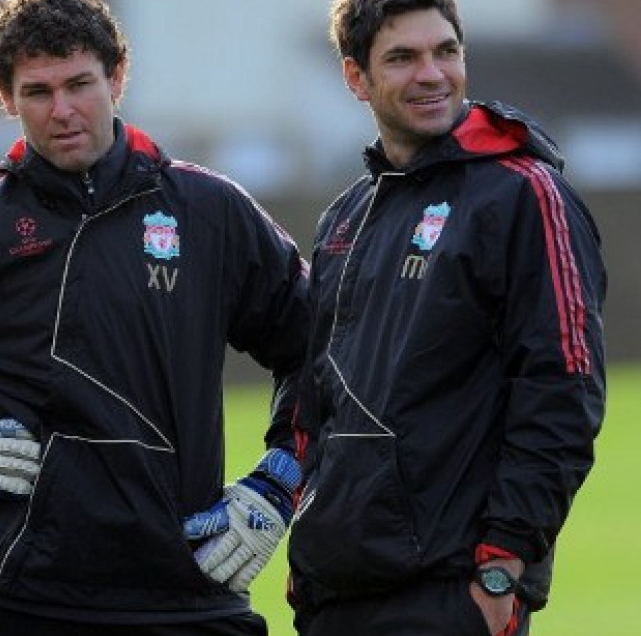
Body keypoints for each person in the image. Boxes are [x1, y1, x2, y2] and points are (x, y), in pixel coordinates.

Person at [0, 0, 310, 633]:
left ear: (116, 77)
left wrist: (279, 481)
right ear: (7, 98)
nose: (62, 110)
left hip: (192, 584)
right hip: (30, 597)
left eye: (79, 84)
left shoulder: (210, 212)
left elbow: (327, 347)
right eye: (37, 91)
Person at [282, 1, 607, 635]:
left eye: (446, 51)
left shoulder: (522, 192)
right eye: (403, 58)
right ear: (356, 77)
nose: (432, 74)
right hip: (337, 594)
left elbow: (564, 389)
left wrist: (503, 562)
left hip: (454, 591)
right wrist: (308, 543)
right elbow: (313, 396)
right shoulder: (345, 218)